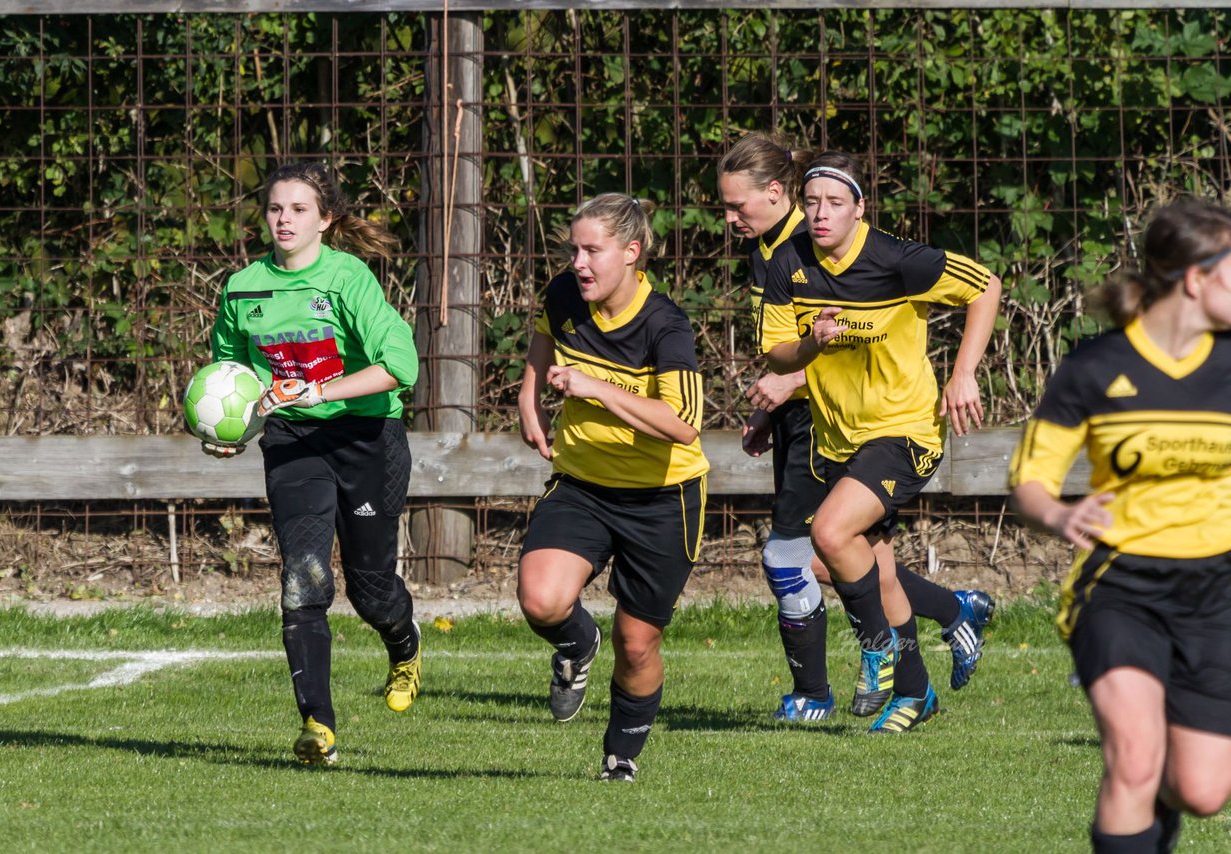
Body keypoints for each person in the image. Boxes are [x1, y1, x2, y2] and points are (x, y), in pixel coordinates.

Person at [718, 133, 997, 723]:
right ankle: (920, 684)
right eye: (813, 201)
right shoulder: (784, 263)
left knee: (828, 537)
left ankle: (875, 652)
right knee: (867, 562)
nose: (820, 214)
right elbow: (778, 355)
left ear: (859, 207)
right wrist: (809, 348)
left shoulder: (897, 259)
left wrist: (964, 373)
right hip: (835, 437)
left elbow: (985, 286)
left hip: (905, 431)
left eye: (833, 203)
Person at [1009, 198, 1231, 853]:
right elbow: (1030, 483)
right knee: (1134, 757)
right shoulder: (1095, 368)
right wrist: (1056, 512)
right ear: (1197, 278)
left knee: (1202, 791)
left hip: (1217, 590)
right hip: (1120, 584)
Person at [206, 162, 422, 765]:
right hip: (294, 442)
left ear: (326, 220)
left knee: (371, 590)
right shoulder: (242, 288)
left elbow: (401, 367)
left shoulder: (349, 279)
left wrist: (319, 390)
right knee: (303, 575)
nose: (284, 220)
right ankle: (317, 726)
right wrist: (235, 430)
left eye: (299, 210)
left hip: (366, 436)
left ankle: (404, 645)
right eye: (276, 208)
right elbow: (236, 376)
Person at [517, 193, 709, 782]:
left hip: (663, 497)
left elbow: (683, 424)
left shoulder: (666, 325)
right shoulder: (564, 294)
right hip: (583, 483)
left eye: (591, 250)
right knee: (542, 599)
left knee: (636, 642)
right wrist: (529, 398)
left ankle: (619, 756)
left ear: (631, 253)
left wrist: (597, 388)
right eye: (573, 248)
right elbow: (544, 337)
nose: (578, 261)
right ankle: (576, 646)